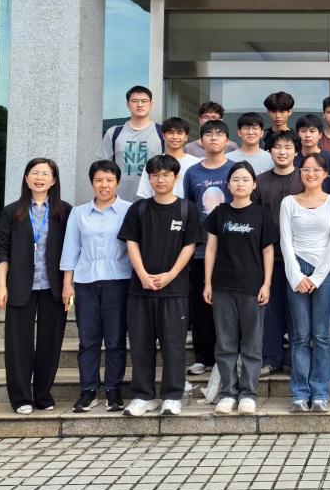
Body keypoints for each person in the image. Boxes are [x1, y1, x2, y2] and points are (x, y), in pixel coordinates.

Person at [118, 155, 202, 416]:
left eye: (166, 175)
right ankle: (143, 396)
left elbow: (190, 246)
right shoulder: (139, 209)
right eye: (155, 175)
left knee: (173, 345)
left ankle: (172, 395)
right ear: (149, 178)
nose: (160, 179)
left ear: (175, 177)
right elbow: (131, 243)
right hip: (140, 289)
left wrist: (171, 275)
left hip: (174, 291)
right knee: (140, 345)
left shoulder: (187, 209)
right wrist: (142, 274)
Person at [0, 158, 71, 414]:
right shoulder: (12, 211)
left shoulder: (64, 211)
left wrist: (69, 284)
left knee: (51, 341)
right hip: (19, 285)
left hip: (53, 286)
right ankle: (21, 398)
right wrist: (1, 286)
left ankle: (42, 394)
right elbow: (3, 250)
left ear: (53, 180)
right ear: (26, 178)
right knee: (18, 344)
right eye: (35, 173)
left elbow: (71, 250)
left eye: (45, 174)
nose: (40, 178)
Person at [203, 161, 277, 416]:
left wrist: (267, 283)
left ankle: (248, 394)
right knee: (225, 343)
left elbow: (268, 251)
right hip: (223, 286)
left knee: (252, 345)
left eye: (245, 179)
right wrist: (208, 282)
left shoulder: (261, 214)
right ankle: (227, 393)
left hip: (252, 287)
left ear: (254, 185)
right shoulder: (219, 213)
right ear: (228, 184)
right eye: (235, 179)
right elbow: (211, 249)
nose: (240, 183)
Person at [60, 160, 132, 413]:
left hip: (119, 281)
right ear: (92, 183)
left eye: (109, 180)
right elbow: (71, 248)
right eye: (99, 180)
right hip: (85, 282)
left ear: (117, 183)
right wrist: (67, 283)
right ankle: (88, 391)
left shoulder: (129, 210)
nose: (104, 185)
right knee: (88, 340)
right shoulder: (79, 213)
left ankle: (113, 391)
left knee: (115, 340)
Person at [279, 153, 330, 412]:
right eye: (306, 169)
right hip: (296, 270)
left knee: (321, 335)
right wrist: (297, 276)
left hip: (325, 272)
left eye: (317, 170)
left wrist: (317, 277)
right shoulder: (289, 202)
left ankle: (320, 394)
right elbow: (285, 241)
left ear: (326, 174)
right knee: (299, 335)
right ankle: (299, 394)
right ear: (300, 173)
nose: (311, 174)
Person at [181, 119, 235, 377]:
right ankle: (203, 357)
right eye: (208, 134)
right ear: (200, 141)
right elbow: (189, 211)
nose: (214, 138)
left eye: (219, 134)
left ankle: (231, 355)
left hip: (233, 249)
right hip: (201, 249)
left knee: (231, 305)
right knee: (202, 305)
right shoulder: (192, 172)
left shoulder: (236, 169)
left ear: (227, 140)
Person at [254, 130, 304, 376]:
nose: (282, 152)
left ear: (296, 151)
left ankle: (297, 360)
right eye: (277, 147)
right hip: (269, 258)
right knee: (270, 311)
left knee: (298, 312)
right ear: (270, 151)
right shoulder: (260, 182)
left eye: (287, 147)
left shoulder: (306, 178)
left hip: (301, 258)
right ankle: (271, 358)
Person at [97, 85, 164, 201]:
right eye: (134, 101)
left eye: (144, 101)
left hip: (153, 200)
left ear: (151, 104)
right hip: (119, 200)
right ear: (127, 104)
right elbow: (103, 169)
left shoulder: (162, 133)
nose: (140, 104)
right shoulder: (114, 132)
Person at [137, 117, 201, 199]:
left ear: (186, 137)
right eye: (171, 132)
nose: (175, 137)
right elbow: (145, 195)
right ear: (164, 136)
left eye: (179, 133)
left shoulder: (196, 164)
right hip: (158, 206)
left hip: (187, 207)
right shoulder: (153, 163)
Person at [293, 113, 330, 194]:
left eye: (312, 131)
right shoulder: (292, 158)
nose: (307, 135)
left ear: (320, 135)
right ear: (298, 134)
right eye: (303, 131)